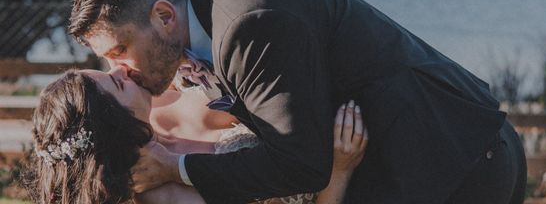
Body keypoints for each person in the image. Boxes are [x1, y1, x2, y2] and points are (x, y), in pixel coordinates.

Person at [69, 0, 527, 203]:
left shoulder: (249, 24)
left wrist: (179, 167)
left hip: (455, 161)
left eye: (121, 49)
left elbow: (301, 163)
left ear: (165, 17)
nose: (119, 68)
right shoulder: (213, 33)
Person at [25, 67, 368, 204]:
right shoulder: (164, 196)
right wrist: (339, 172)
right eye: (116, 82)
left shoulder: (163, 96)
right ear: (115, 123)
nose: (121, 69)